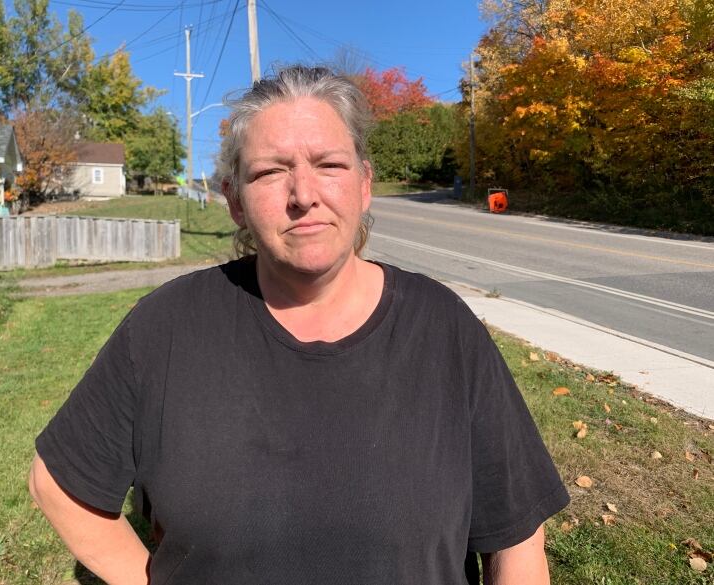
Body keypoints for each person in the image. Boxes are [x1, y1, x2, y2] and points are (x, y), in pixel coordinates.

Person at [29, 65, 569, 585]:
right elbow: (58, 484)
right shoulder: (167, 329)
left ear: (363, 185)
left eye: (329, 165)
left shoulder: (443, 329)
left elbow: (517, 539)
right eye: (269, 172)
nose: (303, 195)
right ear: (235, 201)